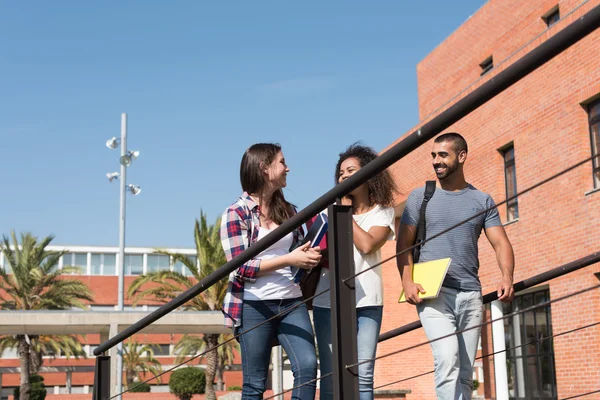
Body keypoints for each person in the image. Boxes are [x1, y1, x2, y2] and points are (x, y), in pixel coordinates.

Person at [397, 132, 515, 400]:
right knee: (448, 360)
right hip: (433, 293)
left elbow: (501, 243)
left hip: (470, 295)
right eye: (433, 156)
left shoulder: (482, 200)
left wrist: (507, 276)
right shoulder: (420, 197)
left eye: (443, 155)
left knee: (464, 372)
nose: (436, 161)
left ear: (461, 157)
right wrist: (406, 280)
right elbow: (403, 245)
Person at [220, 143, 321, 400]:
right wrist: (290, 258)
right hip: (253, 305)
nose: (288, 168)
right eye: (282, 162)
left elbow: (299, 250)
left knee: (308, 367)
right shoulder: (236, 213)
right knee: (255, 384)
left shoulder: (288, 211)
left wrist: (308, 254)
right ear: (264, 168)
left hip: (291, 300)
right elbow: (240, 266)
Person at [312, 143, 397, 400]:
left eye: (351, 170)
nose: (344, 176)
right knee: (329, 373)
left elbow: (368, 244)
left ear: (368, 175)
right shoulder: (326, 213)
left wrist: (342, 212)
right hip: (327, 300)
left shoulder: (383, 212)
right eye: (340, 173)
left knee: (364, 373)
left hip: (367, 302)